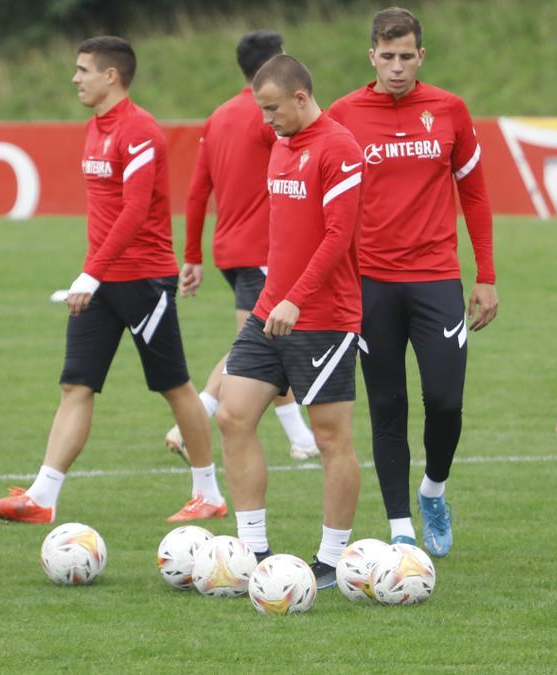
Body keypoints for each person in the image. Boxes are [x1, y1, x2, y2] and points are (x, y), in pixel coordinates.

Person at [0, 37, 227, 525]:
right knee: (76, 384)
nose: (75, 78)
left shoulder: (140, 132)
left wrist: (91, 273)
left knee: (175, 386)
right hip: (100, 280)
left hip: (144, 280)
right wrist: (92, 274)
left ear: (111, 76)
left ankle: (209, 494)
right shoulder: (96, 128)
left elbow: (135, 211)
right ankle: (43, 497)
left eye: (83, 69)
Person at [327, 7, 498, 558]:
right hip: (370, 283)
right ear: (371, 55)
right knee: (387, 404)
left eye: (407, 57)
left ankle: (433, 491)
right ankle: (400, 528)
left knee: (446, 402)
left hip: (436, 279)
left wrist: (486, 275)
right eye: (387, 56)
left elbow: (474, 193)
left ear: (421, 56)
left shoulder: (449, 110)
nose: (397, 67)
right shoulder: (343, 115)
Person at [216, 54, 364, 589]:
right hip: (269, 311)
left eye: (273, 108)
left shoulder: (340, 148)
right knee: (233, 417)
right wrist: (275, 296)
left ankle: (332, 559)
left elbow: (336, 238)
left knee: (331, 440)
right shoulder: (281, 144)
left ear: (301, 98)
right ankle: (253, 549)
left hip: (323, 317)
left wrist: (296, 299)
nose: (266, 120)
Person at [165, 30, 320, 463]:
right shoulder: (270, 118)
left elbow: (197, 192)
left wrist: (193, 256)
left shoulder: (217, 117)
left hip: (228, 251)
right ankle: (193, 419)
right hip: (263, 250)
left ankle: (301, 439)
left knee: (266, 340)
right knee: (255, 344)